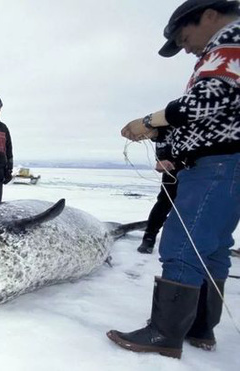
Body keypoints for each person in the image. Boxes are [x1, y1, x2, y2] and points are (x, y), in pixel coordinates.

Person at [107, 0, 240, 359]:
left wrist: (150, 122)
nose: (185, 48)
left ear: (209, 15)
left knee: (183, 244)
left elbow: (207, 102)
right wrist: (163, 140)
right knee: (211, 247)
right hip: (226, 167)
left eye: (184, 37)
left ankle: (164, 333)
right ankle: (201, 327)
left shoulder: (231, 43)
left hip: (216, 166)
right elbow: (216, 113)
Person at [136, 139, 183, 254]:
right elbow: (163, 133)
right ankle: (149, 237)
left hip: (205, 164)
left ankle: (187, 241)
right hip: (173, 165)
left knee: (197, 205)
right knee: (165, 202)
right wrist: (162, 157)